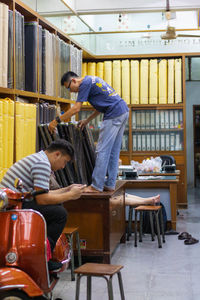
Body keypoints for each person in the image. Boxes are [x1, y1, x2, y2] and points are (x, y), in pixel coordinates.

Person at [1, 139, 86, 271]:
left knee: (57, 208)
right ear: (57, 154)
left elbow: (43, 193)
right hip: (11, 207)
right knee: (60, 214)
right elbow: (42, 199)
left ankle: (42, 251)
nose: (63, 166)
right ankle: (44, 257)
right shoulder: (42, 164)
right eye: (64, 162)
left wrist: (68, 189)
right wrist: (70, 195)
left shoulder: (39, 159)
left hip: (16, 203)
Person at [49, 71, 129, 193]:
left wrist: (56, 121)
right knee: (113, 151)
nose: (71, 92)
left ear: (74, 80)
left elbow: (76, 108)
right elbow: (100, 107)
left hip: (114, 114)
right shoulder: (92, 80)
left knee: (102, 150)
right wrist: (87, 120)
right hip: (122, 111)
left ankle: (96, 186)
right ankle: (110, 183)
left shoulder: (84, 84)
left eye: (69, 87)